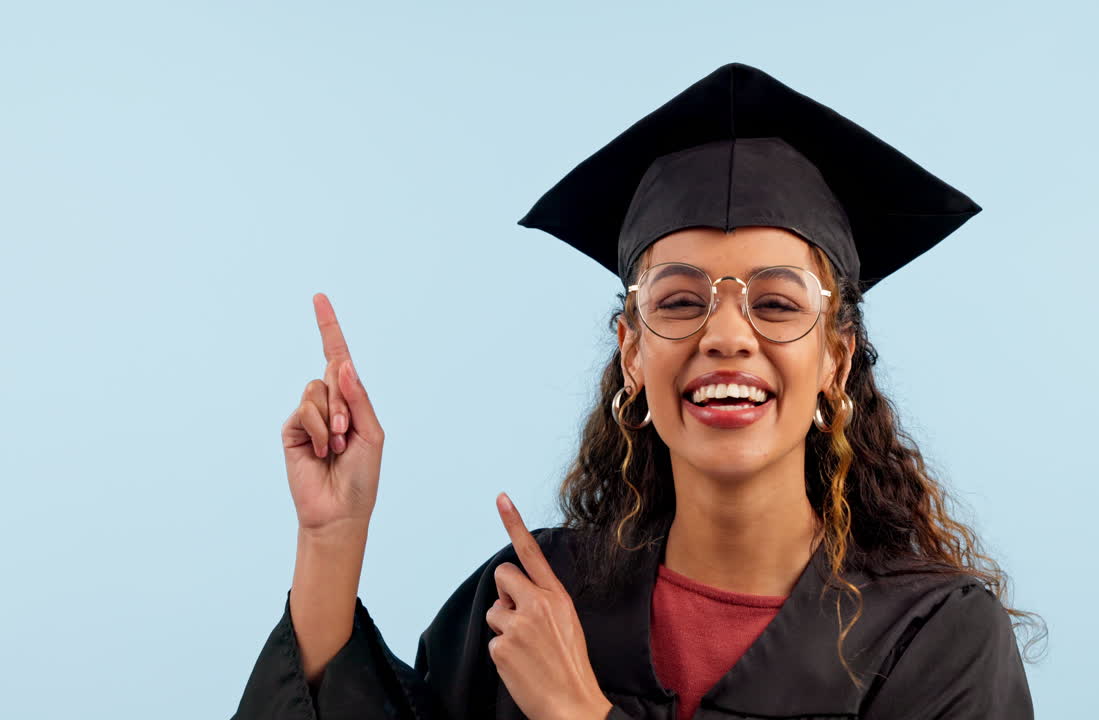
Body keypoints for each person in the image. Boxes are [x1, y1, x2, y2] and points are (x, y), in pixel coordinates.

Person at [232, 62, 1040, 720]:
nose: (726, 335)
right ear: (631, 351)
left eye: (778, 303)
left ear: (836, 358)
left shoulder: (933, 638)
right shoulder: (533, 598)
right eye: (680, 302)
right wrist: (332, 539)